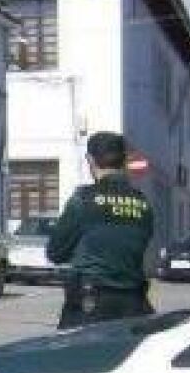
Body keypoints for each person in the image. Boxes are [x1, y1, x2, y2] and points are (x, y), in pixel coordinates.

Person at [47, 131, 155, 330]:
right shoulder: (143, 203)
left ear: (90, 160)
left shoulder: (83, 200)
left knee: (77, 350)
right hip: (134, 303)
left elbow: (55, 252)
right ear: (123, 161)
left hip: (90, 304)